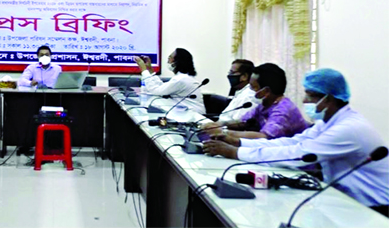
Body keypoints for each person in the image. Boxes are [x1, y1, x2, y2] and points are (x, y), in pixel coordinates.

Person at [203, 68, 389, 216]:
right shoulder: (327, 123)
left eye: (310, 95)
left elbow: (297, 156)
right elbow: (291, 144)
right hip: (344, 201)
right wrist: (238, 144)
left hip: (373, 209)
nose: (304, 100)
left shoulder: (348, 129)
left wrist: (234, 152)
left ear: (329, 98)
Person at [201, 63, 308, 139]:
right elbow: (243, 122)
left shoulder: (283, 110)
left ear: (266, 91)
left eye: (253, 87)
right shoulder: (265, 105)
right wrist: (219, 124)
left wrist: (223, 132)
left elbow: (263, 137)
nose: (250, 90)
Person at [135, 48, 206, 114]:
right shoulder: (182, 77)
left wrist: (144, 69)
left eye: (170, 57)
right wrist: (149, 68)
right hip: (184, 112)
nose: (168, 60)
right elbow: (161, 87)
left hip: (194, 114)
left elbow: (156, 90)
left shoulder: (182, 79)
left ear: (177, 61)